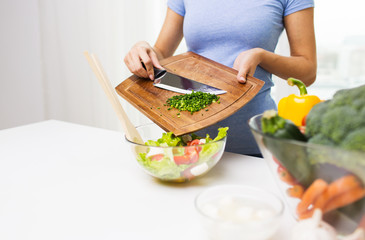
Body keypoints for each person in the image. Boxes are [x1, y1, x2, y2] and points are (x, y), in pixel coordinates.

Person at [124, 0, 317, 156]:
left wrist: (262, 56)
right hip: (191, 145)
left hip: (256, 147)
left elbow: (307, 71)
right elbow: (162, 54)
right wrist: (144, 49)